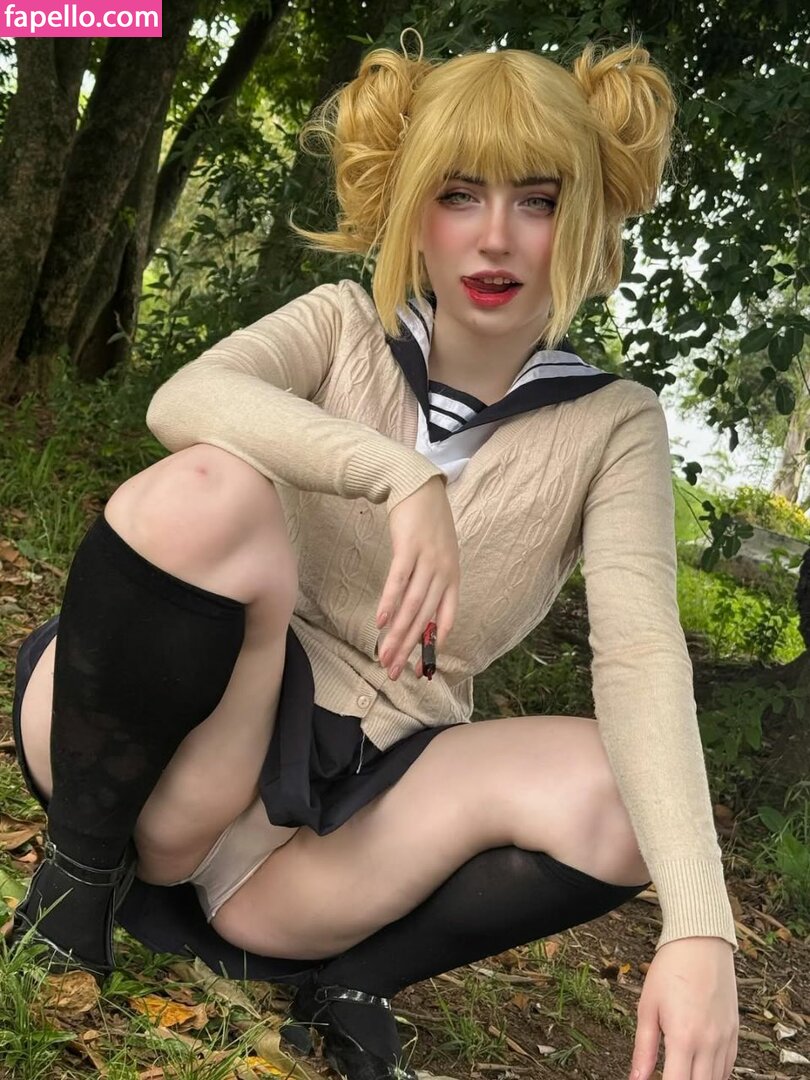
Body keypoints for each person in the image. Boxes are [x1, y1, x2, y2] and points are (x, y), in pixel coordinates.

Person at [8, 30, 740, 1080]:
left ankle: (352, 979)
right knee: (210, 489)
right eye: (459, 195)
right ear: (411, 207)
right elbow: (186, 398)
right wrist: (399, 476)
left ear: (586, 216)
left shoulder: (614, 423)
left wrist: (700, 924)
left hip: (336, 834)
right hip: (186, 738)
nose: (496, 238)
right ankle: (76, 880)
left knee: (629, 796)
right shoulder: (344, 324)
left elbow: (639, 655)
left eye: (537, 201)